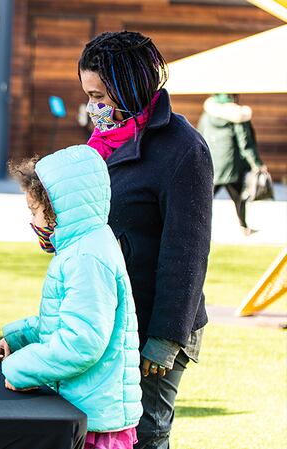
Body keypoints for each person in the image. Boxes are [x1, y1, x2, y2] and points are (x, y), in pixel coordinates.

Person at [78, 31, 212, 449]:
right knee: (100, 427)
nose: (93, 106)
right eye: (87, 94)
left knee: (146, 433)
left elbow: (186, 252)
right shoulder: (102, 142)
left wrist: (166, 338)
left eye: (100, 94)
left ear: (128, 86)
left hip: (156, 323)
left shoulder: (183, 149)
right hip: (108, 314)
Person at [0, 145, 141, 449]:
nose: (34, 222)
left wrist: (20, 368)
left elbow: (81, 342)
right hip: (86, 409)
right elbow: (66, 319)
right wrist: (20, 338)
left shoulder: (86, 257)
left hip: (94, 421)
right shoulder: (85, 246)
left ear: (58, 207)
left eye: (35, 211)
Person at [198, 93, 267, 235]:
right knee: (239, 198)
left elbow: (200, 136)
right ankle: (244, 227)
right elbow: (245, 143)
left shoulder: (207, 116)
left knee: (204, 199)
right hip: (231, 166)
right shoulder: (237, 117)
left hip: (212, 164)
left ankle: (198, 228)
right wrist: (257, 164)